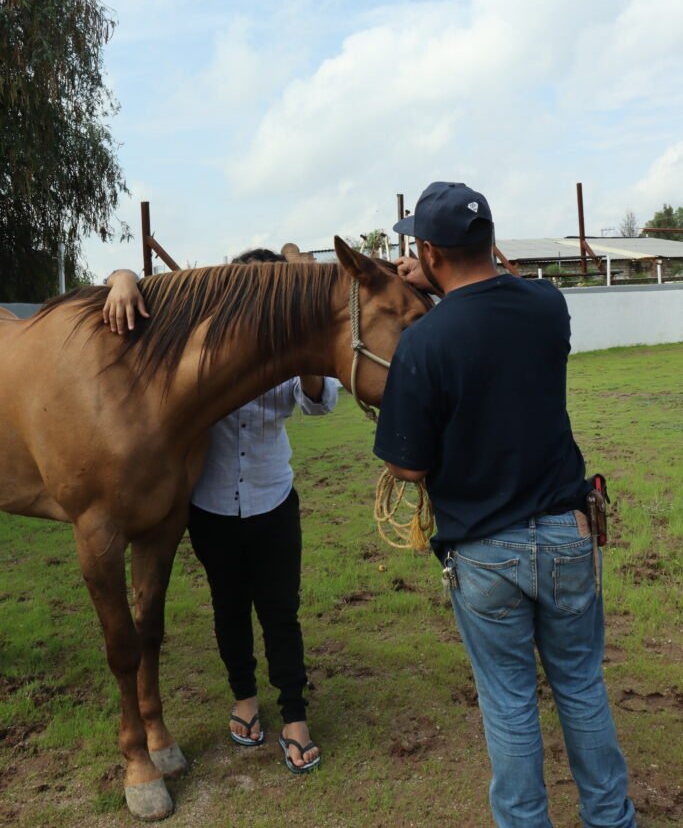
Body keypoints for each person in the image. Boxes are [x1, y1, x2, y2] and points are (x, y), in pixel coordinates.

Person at [373, 182, 636, 828]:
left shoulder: (423, 343)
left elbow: (407, 466)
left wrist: (435, 288)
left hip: (484, 552)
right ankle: (611, 818)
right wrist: (446, 277)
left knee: (509, 702)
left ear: (428, 253)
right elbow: (502, 291)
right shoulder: (547, 305)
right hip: (568, 532)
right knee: (581, 685)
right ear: (490, 239)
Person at [103, 249, 338, 773]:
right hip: (211, 503)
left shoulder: (287, 351)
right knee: (228, 609)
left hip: (273, 499)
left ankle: (295, 715)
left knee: (281, 612)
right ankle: (245, 698)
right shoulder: (206, 347)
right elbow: (152, 299)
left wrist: (306, 349)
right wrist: (122, 276)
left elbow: (319, 402)